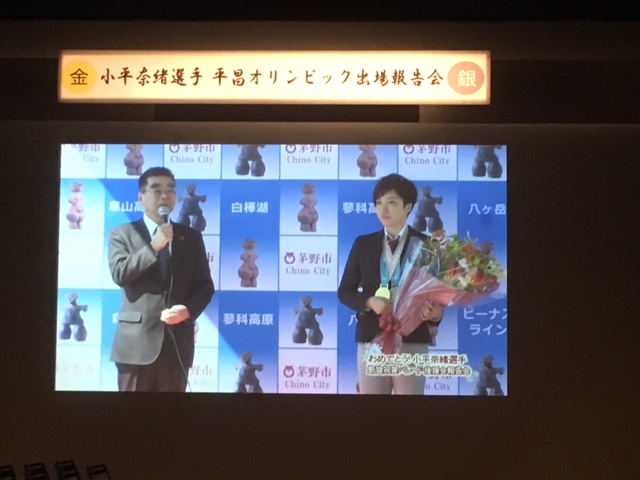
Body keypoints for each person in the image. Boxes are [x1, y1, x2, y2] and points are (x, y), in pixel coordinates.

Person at [108, 167, 214, 392]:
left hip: (176, 344)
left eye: (170, 190)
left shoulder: (190, 237)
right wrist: (154, 246)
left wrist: (187, 311)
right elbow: (120, 274)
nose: (165, 195)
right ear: (141, 197)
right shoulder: (122, 233)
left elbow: (205, 287)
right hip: (136, 345)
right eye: (156, 189)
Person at [338, 174, 444, 395]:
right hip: (372, 338)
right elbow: (345, 291)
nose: (383, 209)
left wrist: (435, 314)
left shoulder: (427, 245)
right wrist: (370, 301)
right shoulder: (363, 244)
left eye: (391, 202)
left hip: (412, 338)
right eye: (379, 203)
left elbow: (437, 295)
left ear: (408, 207)